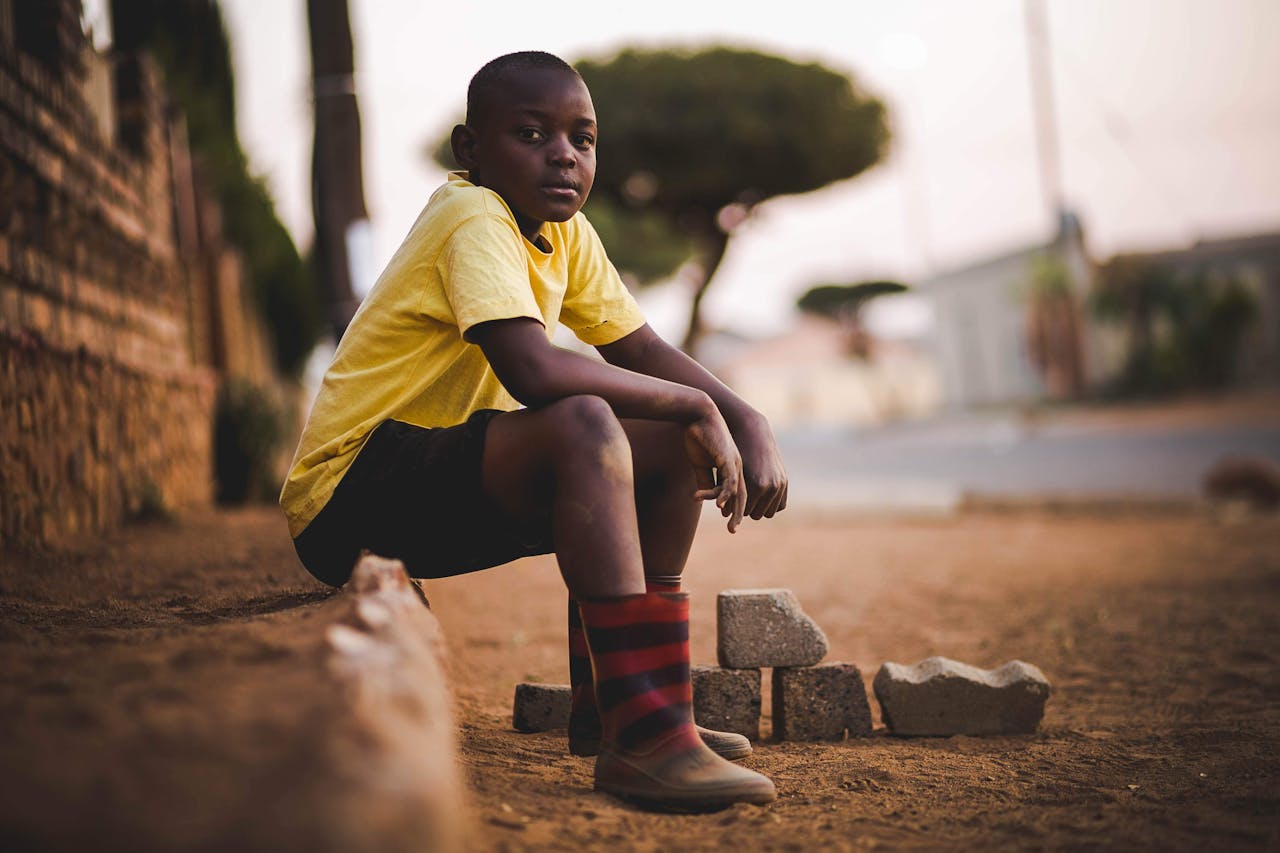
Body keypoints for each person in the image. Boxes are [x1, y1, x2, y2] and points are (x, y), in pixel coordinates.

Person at [280, 51, 788, 810]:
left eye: (582, 139)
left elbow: (640, 348)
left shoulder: (567, 233)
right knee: (588, 420)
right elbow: (535, 373)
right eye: (530, 133)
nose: (563, 155)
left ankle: (629, 706)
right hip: (349, 497)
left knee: (656, 441)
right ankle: (644, 747)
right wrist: (694, 405)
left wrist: (742, 413)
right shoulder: (472, 216)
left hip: (432, 480)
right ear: (471, 150)